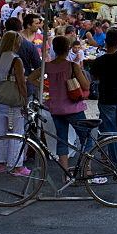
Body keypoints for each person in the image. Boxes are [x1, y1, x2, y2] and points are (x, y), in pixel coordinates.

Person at [42, 35, 94, 172]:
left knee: (62, 139)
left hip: (55, 107)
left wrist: (47, 88)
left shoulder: (48, 66)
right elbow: (86, 87)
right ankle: (86, 169)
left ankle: (65, 172)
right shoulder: (71, 66)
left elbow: (31, 77)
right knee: (86, 139)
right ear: (67, 49)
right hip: (73, 108)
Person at [0, 31, 30, 177]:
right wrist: (25, 100)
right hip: (14, 100)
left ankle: (1, 162)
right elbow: (21, 83)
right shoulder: (16, 60)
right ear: (15, 43)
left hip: (0, 99)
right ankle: (16, 166)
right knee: (16, 133)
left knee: (1, 131)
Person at [89, 29, 117, 164]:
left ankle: (116, 159)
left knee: (111, 131)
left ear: (106, 42)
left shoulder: (100, 61)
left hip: (107, 98)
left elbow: (94, 76)